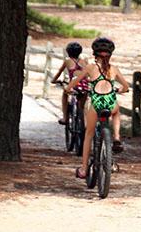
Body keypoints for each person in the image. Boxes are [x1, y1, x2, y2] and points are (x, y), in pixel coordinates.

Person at [65, 37, 129, 179]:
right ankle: (117, 137)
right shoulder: (114, 69)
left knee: (89, 134)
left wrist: (68, 89)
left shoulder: (90, 68)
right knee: (117, 112)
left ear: (95, 54)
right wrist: (118, 90)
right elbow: (126, 87)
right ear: (110, 54)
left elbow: (75, 82)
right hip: (110, 103)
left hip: (96, 104)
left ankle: (83, 169)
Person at [51, 42, 89, 125]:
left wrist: (54, 80)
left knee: (65, 94)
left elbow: (59, 72)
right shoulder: (84, 61)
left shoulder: (68, 61)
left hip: (74, 85)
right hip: (85, 85)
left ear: (68, 52)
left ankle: (65, 118)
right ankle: (84, 123)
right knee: (82, 105)